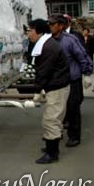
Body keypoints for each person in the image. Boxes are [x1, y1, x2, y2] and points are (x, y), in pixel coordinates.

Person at [28, 19, 70, 164]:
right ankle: (51, 148)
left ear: (38, 31)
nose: (28, 34)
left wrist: (37, 90)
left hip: (57, 87)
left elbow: (43, 71)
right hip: (56, 85)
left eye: (30, 31)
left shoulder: (48, 47)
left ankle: (52, 153)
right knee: (53, 119)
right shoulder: (47, 43)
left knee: (51, 120)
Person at [48, 14, 93, 148]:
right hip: (56, 81)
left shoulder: (70, 40)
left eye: (52, 24)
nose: (50, 26)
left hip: (72, 80)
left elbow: (82, 56)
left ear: (61, 26)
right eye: (49, 24)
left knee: (73, 109)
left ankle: (74, 136)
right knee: (57, 111)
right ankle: (54, 138)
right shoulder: (48, 40)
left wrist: (87, 73)